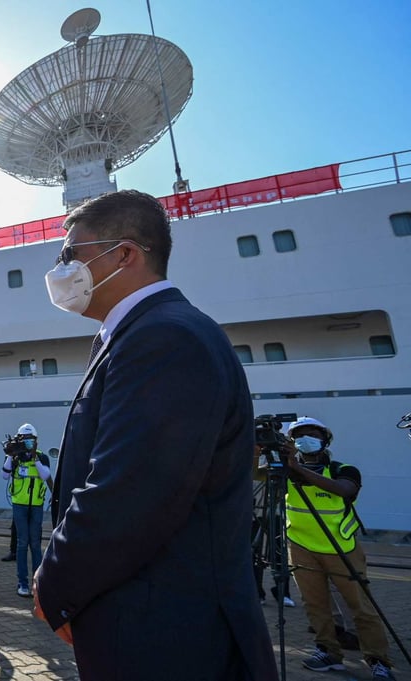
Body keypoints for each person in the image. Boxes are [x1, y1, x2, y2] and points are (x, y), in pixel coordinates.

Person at [33, 190, 278, 680]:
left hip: (167, 633)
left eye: (71, 254)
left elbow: (127, 491)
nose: (60, 269)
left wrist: (56, 583)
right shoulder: (142, 333)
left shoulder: (164, 337)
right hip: (148, 618)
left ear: (125, 254)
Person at [283, 416, 395, 679]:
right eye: (299, 436)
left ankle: (377, 659)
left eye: (313, 435)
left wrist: (297, 469)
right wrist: (255, 450)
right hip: (301, 546)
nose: (306, 440)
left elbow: (343, 490)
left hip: (341, 548)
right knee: (315, 605)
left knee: (361, 607)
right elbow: (251, 473)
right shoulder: (286, 470)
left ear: (326, 440)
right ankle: (328, 651)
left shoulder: (343, 469)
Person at [1, 423, 51, 597]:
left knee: (35, 544)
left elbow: (45, 475)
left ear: (36, 441)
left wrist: (34, 458)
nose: (28, 442)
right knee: (22, 543)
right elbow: (5, 475)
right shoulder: (15, 458)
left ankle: (37, 583)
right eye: (25, 440)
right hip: (19, 505)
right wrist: (10, 455)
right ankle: (22, 583)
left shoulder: (42, 457)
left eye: (31, 440)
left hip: (36, 505)